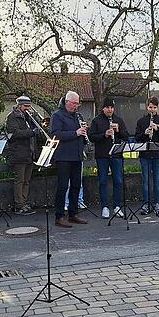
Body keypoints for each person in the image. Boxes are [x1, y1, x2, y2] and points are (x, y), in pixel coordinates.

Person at [50, 91, 89, 228]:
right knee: (62, 186)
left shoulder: (77, 116)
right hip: (64, 156)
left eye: (78, 103)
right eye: (74, 103)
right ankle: (59, 216)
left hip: (77, 156)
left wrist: (84, 132)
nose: (76, 106)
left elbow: (80, 134)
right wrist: (76, 133)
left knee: (76, 185)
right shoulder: (57, 116)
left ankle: (73, 214)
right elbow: (55, 134)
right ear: (67, 102)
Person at [88, 97, 129, 218]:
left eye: (112, 107)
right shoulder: (96, 121)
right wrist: (104, 134)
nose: (110, 110)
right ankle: (104, 207)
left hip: (116, 155)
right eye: (107, 107)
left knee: (118, 181)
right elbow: (91, 137)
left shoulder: (119, 120)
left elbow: (126, 136)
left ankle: (117, 206)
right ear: (103, 108)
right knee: (103, 181)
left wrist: (119, 130)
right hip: (102, 156)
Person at [4, 95, 39, 216]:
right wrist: (31, 132)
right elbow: (14, 133)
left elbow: (35, 128)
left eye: (29, 106)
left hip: (29, 153)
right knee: (20, 180)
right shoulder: (12, 117)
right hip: (19, 153)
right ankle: (19, 204)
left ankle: (24, 202)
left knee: (27, 180)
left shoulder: (28, 117)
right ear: (19, 106)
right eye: (26, 106)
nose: (28, 109)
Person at [135, 96, 159, 215]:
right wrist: (145, 133)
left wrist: (157, 129)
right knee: (145, 180)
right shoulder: (141, 121)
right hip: (145, 154)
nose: (152, 110)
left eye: (154, 107)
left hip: (157, 154)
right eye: (150, 107)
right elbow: (137, 138)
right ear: (147, 107)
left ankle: (156, 203)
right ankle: (146, 203)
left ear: (157, 108)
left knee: (157, 180)